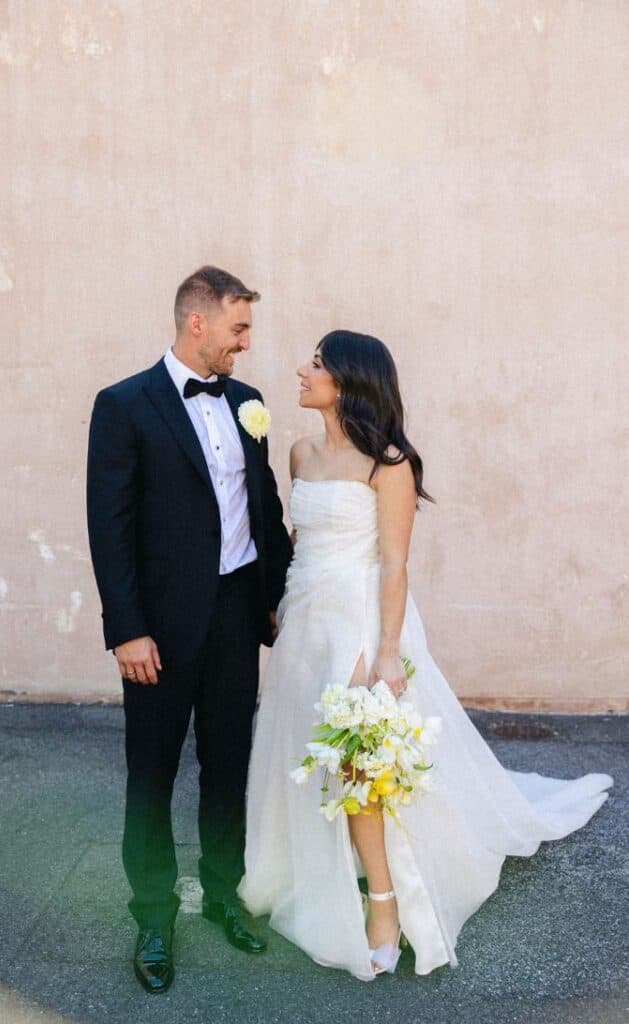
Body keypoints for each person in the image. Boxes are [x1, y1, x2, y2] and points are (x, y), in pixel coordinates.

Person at [238, 329, 614, 981]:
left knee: (356, 764)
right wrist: (277, 608)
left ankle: (384, 908)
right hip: (305, 621)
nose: (301, 370)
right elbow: (301, 539)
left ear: (350, 380)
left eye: (317, 364)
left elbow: (392, 563)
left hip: (359, 621)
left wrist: (386, 654)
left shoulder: (388, 464)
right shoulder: (298, 452)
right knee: (308, 750)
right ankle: (320, 866)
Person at [86, 266, 293, 993]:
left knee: (228, 765)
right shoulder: (122, 405)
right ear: (196, 322)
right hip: (159, 632)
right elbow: (108, 527)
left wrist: (280, 596)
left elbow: (262, 508)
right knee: (151, 773)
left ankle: (222, 895)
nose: (246, 343)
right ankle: (151, 915)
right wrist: (127, 630)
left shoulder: (249, 401)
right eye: (238, 328)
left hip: (237, 616)